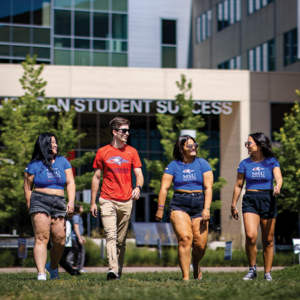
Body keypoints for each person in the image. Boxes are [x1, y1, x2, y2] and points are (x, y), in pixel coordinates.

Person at [90, 117, 144, 280]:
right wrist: (93, 202)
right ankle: (112, 269)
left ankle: (117, 271)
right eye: (124, 130)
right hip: (107, 199)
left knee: (121, 240)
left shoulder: (132, 152)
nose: (127, 133)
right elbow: (96, 177)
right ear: (114, 132)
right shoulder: (102, 152)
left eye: (128, 130)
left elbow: (139, 175)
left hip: (126, 201)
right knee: (111, 236)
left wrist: (138, 187)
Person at [156, 135, 214, 281]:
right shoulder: (173, 166)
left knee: (200, 244)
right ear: (181, 148)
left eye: (195, 145)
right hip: (179, 204)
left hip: (200, 204)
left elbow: (209, 188)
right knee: (185, 238)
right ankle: (185, 278)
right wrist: (160, 208)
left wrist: (206, 208)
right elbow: (164, 188)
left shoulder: (203, 163)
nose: (193, 147)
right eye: (189, 146)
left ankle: (195, 264)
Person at [231, 132, 282, 281]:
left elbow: (278, 177)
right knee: (251, 235)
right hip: (250, 199)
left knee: (268, 240)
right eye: (246, 144)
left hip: (268, 198)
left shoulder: (272, 161)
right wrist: (233, 204)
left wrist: (277, 186)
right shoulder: (244, 163)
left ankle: (267, 273)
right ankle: (252, 269)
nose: (247, 146)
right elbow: (238, 185)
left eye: (249, 143)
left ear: (260, 145)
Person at [24, 132, 75, 280]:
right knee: (41, 237)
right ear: (44, 144)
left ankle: (52, 267)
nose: (55, 145)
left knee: (60, 239)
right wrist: (30, 207)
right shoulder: (33, 165)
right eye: (52, 142)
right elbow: (27, 188)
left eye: (56, 142)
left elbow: (70, 182)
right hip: (39, 200)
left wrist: (71, 201)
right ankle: (41, 273)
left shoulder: (63, 161)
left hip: (59, 201)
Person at [67, 204, 87, 273]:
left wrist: (82, 236)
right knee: (81, 252)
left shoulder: (77, 216)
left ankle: (68, 265)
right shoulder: (76, 217)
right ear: (78, 208)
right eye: (81, 207)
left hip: (75, 237)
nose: (82, 208)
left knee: (72, 251)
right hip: (75, 237)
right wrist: (79, 238)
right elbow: (76, 228)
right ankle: (80, 268)